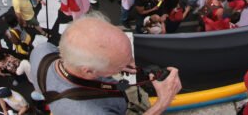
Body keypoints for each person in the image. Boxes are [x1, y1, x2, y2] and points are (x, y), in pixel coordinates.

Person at [29, 12, 181, 114]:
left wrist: (119, 60)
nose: (129, 64)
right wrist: (162, 103)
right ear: (89, 71)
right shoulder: (87, 111)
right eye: (119, 67)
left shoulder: (41, 51)